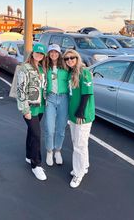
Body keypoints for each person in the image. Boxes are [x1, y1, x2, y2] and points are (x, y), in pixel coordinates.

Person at [63, 49, 95, 188]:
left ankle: (78, 173)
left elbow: (87, 94)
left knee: (78, 146)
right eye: (67, 59)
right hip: (73, 114)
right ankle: (84, 166)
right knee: (79, 143)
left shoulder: (84, 72)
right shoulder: (70, 73)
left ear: (77, 58)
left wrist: (81, 112)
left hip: (82, 115)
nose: (69, 60)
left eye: (72, 58)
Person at [16, 43, 47, 181]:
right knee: (36, 135)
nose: (39, 55)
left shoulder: (42, 68)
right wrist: (24, 109)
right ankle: (36, 165)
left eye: (41, 54)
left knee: (32, 133)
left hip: (40, 107)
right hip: (30, 108)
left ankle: (29, 156)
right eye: (37, 53)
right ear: (32, 53)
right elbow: (20, 89)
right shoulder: (25, 68)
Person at [44, 44, 69, 166]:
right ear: (48, 53)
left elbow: (77, 71)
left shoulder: (65, 66)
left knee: (61, 128)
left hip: (63, 98)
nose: (53, 54)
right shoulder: (45, 66)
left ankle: (57, 151)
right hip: (51, 98)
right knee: (49, 128)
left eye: (56, 52)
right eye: (51, 52)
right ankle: (49, 151)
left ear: (59, 53)